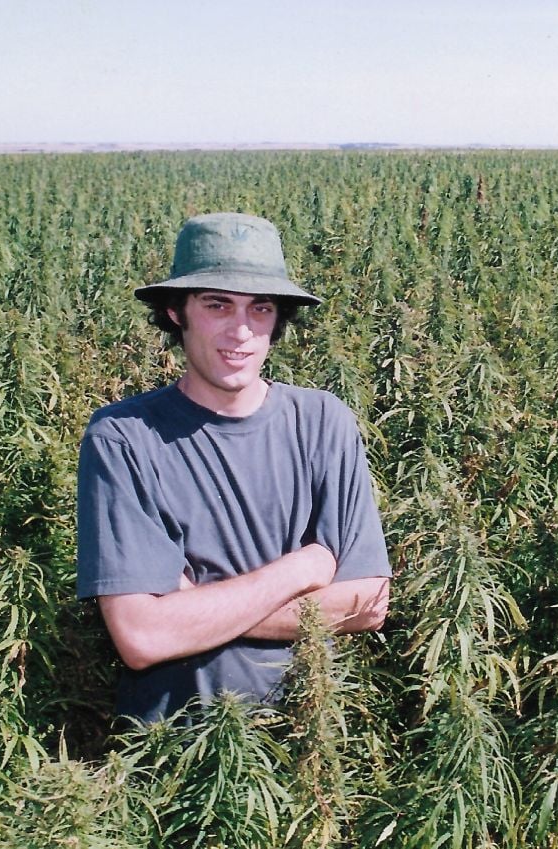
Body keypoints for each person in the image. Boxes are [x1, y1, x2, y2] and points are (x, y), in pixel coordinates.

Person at [76, 212, 391, 723]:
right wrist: (303, 568)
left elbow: (369, 602)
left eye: (260, 308)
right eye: (217, 304)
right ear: (176, 312)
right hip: (175, 756)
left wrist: (193, 610)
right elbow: (141, 637)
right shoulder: (124, 436)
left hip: (307, 745)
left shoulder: (322, 421)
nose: (241, 331)